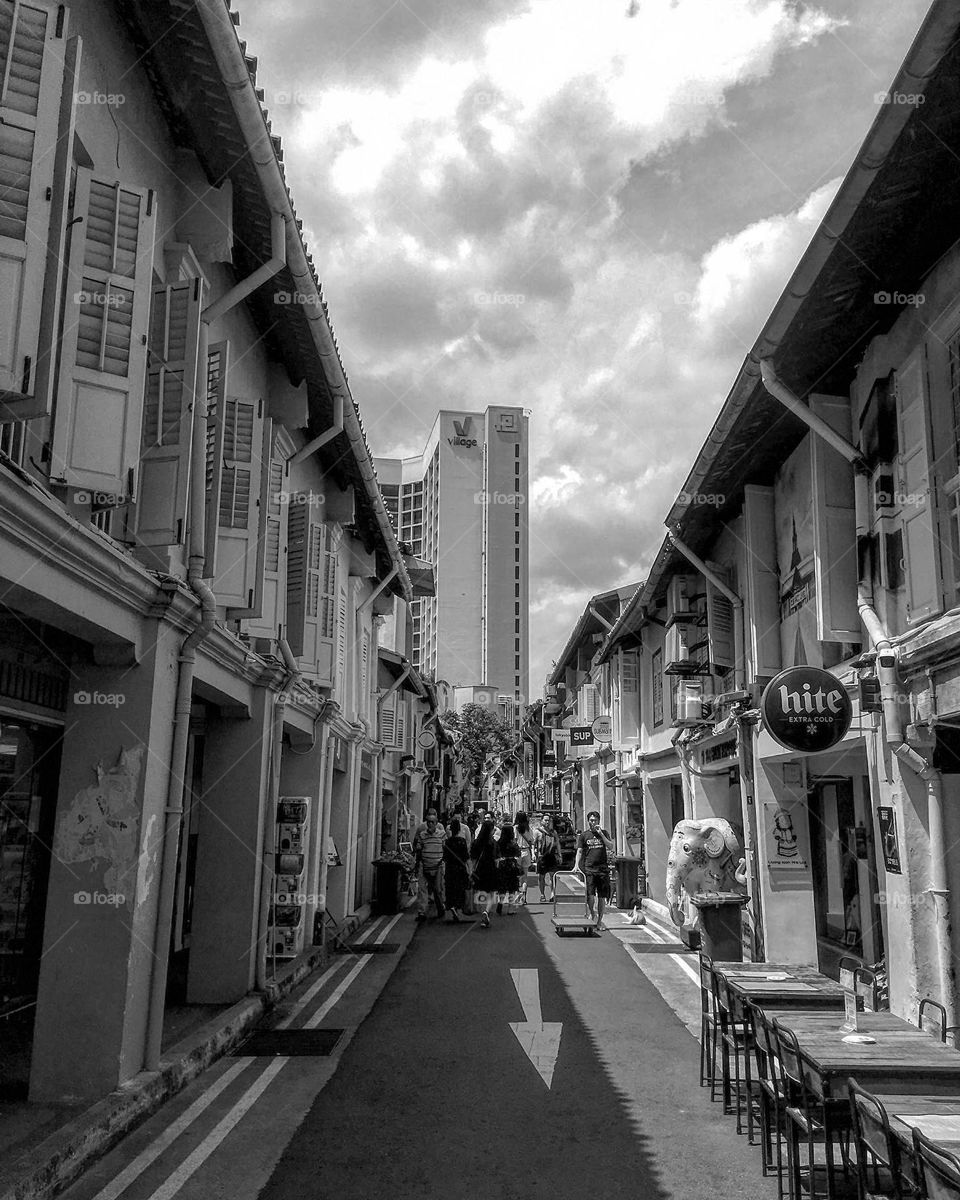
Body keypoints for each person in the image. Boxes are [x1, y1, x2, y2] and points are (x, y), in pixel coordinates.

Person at [574, 810, 615, 932]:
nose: (593, 822)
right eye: (591, 820)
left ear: (599, 821)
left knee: (602, 897)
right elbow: (579, 851)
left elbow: (610, 846)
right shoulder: (584, 835)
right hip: (589, 869)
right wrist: (576, 865)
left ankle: (599, 921)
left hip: (602, 869)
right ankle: (592, 913)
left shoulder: (604, 833)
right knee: (590, 895)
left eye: (595, 820)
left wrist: (601, 834)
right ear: (588, 821)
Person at [412, 808, 446, 922]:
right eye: (428, 822)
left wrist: (443, 862)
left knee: (438, 889)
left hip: (438, 866)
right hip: (424, 865)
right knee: (422, 889)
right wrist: (417, 864)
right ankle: (421, 912)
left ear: (436, 823)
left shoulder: (442, 834)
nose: (430, 824)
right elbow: (418, 849)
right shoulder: (422, 835)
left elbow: (445, 849)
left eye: (432, 822)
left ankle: (440, 907)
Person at [469, 816, 499, 928]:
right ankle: (486, 911)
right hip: (491, 868)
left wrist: (471, 870)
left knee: (481, 891)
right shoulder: (493, 843)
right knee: (491, 892)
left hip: (479, 869)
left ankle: (483, 912)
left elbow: (473, 858)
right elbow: (496, 859)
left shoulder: (476, 842)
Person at [442, 818, 469, 922]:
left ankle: (451, 905)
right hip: (460, 868)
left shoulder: (447, 842)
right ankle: (457, 907)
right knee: (460, 888)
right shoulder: (462, 841)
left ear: (451, 829)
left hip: (450, 868)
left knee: (450, 888)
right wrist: (469, 868)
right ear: (459, 829)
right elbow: (466, 857)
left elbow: (445, 857)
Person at [495, 822, 523, 915]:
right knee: (512, 887)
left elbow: (496, 854)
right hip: (511, 864)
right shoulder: (513, 843)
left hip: (502, 864)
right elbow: (518, 854)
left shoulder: (499, 843)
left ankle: (500, 902)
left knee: (502, 886)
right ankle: (510, 909)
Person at [534, 815, 562, 903]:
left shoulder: (553, 832)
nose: (547, 822)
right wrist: (534, 854)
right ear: (541, 821)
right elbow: (533, 844)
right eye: (545, 820)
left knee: (552, 876)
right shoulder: (537, 831)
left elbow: (557, 844)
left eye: (548, 820)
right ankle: (542, 894)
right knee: (541, 876)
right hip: (542, 857)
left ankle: (552, 893)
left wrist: (560, 855)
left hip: (551, 856)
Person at [514, 812, 534, 904]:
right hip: (526, 851)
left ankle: (518, 894)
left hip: (518, 852)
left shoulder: (515, 828)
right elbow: (531, 841)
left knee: (517, 875)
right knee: (525, 876)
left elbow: (514, 840)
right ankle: (524, 897)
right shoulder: (528, 828)